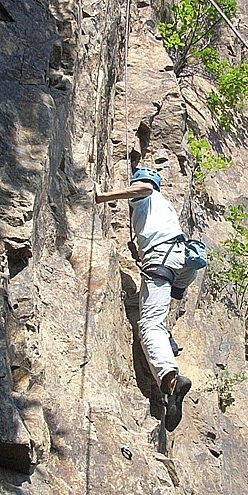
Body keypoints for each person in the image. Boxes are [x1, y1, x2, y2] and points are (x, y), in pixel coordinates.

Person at [94, 167, 197, 431]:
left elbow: (143, 189)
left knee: (149, 325)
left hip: (162, 258)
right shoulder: (165, 206)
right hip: (181, 260)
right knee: (157, 312)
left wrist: (102, 196)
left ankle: (171, 380)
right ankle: (167, 343)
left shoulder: (146, 194)